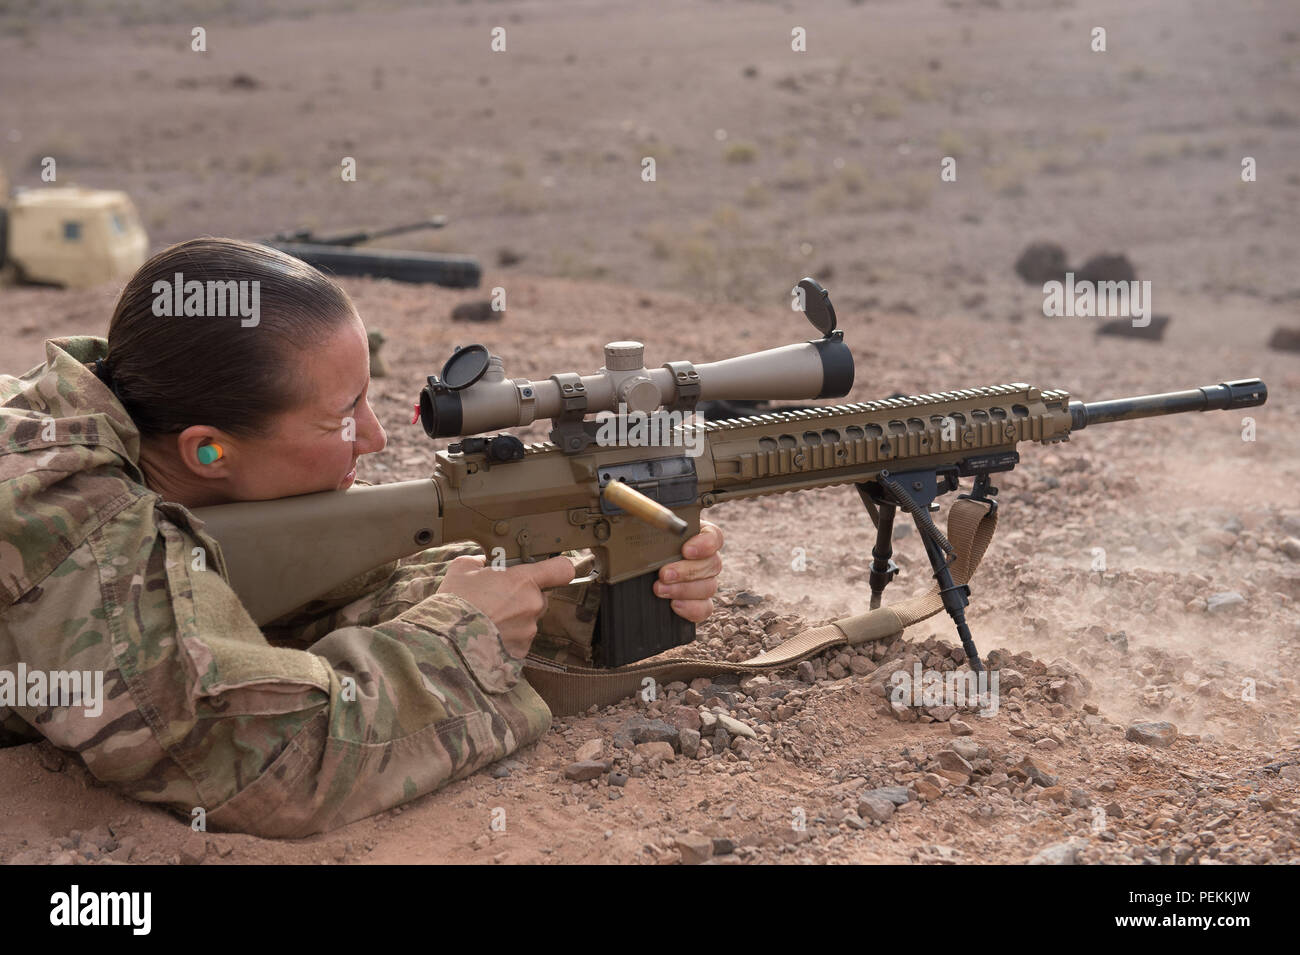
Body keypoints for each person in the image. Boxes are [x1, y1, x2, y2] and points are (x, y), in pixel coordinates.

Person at [0, 238, 724, 837]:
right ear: (208, 451)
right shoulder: (77, 531)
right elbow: (266, 764)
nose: (376, 438)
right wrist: (461, 643)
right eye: (342, 417)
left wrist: (580, 594)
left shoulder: (116, 408)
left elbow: (260, 615)